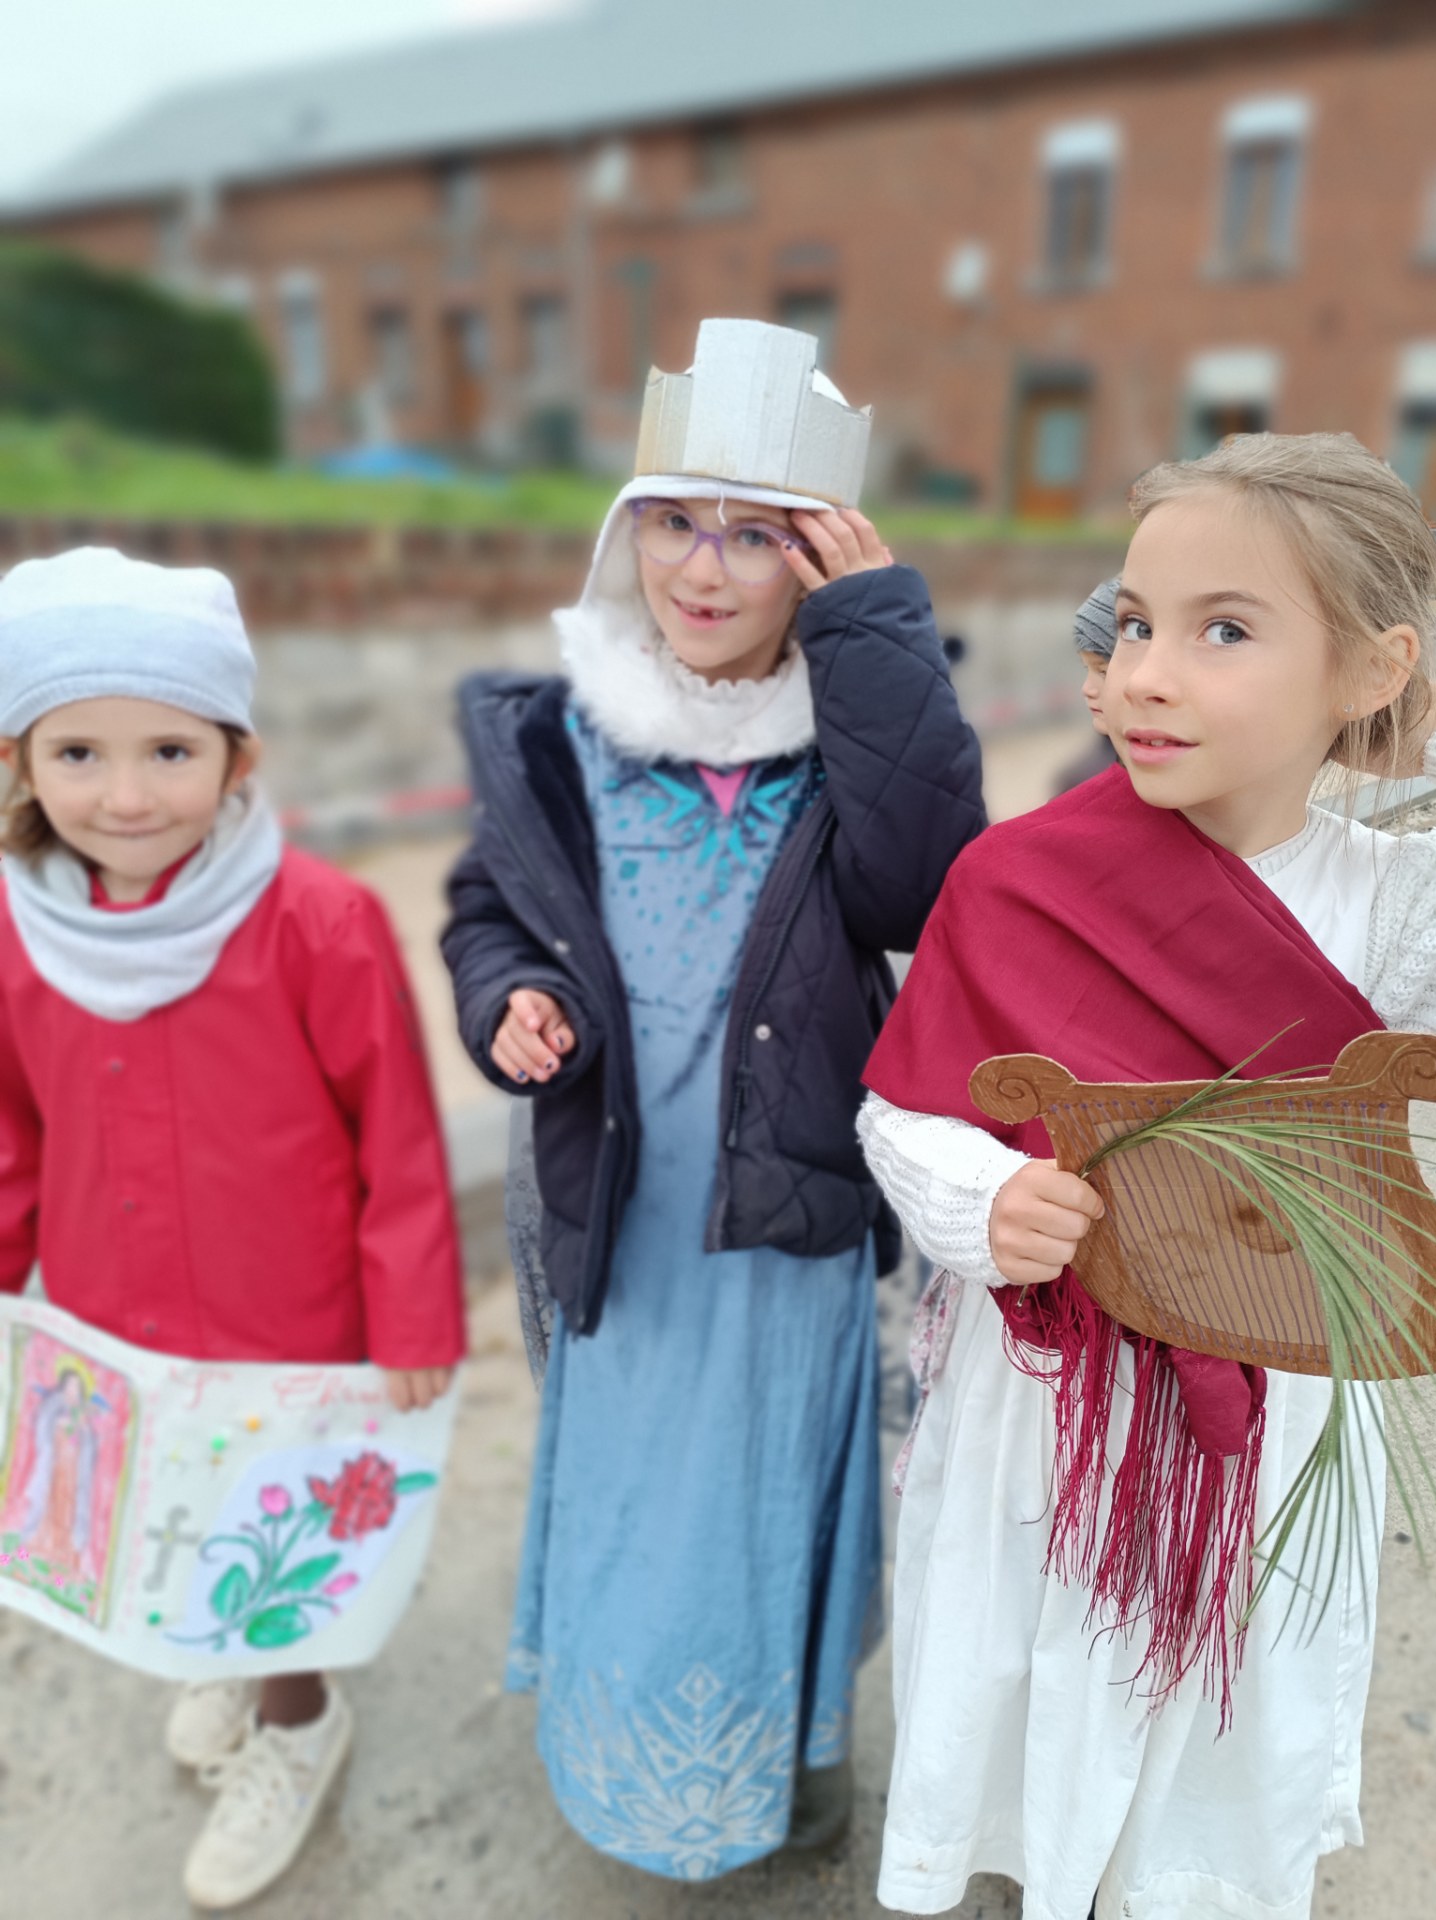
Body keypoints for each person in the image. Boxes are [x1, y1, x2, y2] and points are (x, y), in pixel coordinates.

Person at [858, 431, 1436, 1918]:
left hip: (1279, 1400)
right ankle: (1027, 1864)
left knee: (1230, 1687)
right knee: (1033, 1651)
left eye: (1224, 631)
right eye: (1132, 623)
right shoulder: (1019, 879)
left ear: (1374, 671)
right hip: (1053, 1412)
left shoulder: (1394, 907)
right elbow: (903, 1107)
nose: (1145, 673)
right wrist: (978, 1204)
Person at [442, 318, 985, 1880]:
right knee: (631, 1503)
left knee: (763, 1502)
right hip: (623, 1213)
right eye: (677, 520)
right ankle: (619, 1766)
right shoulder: (564, 735)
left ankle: (793, 1758)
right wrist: (508, 997)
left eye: (758, 534)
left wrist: (879, 636)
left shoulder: (855, 737)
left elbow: (924, 887)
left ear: (817, 561)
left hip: (782, 1220)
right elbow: (491, 909)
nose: (706, 565)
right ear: (629, 533)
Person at [0, 547, 466, 1911]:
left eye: (169, 749)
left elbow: (398, 1131)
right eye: (78, 751)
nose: (127, 794)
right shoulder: (18, 933)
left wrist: (416, 1317)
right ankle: (219, 1667)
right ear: (22, 757)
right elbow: (12, 1132)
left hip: (291, 1316)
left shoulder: (319, 921)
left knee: (280, 1541)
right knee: (162, 1515)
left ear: (237, 755)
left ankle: (299, 1721)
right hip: (108, 1303)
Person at [1052, 575, 1120, 795]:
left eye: (1104, 671)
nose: (1087, 689)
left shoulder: (1081, 780)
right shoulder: (1079, 778)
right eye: (1086, 668)